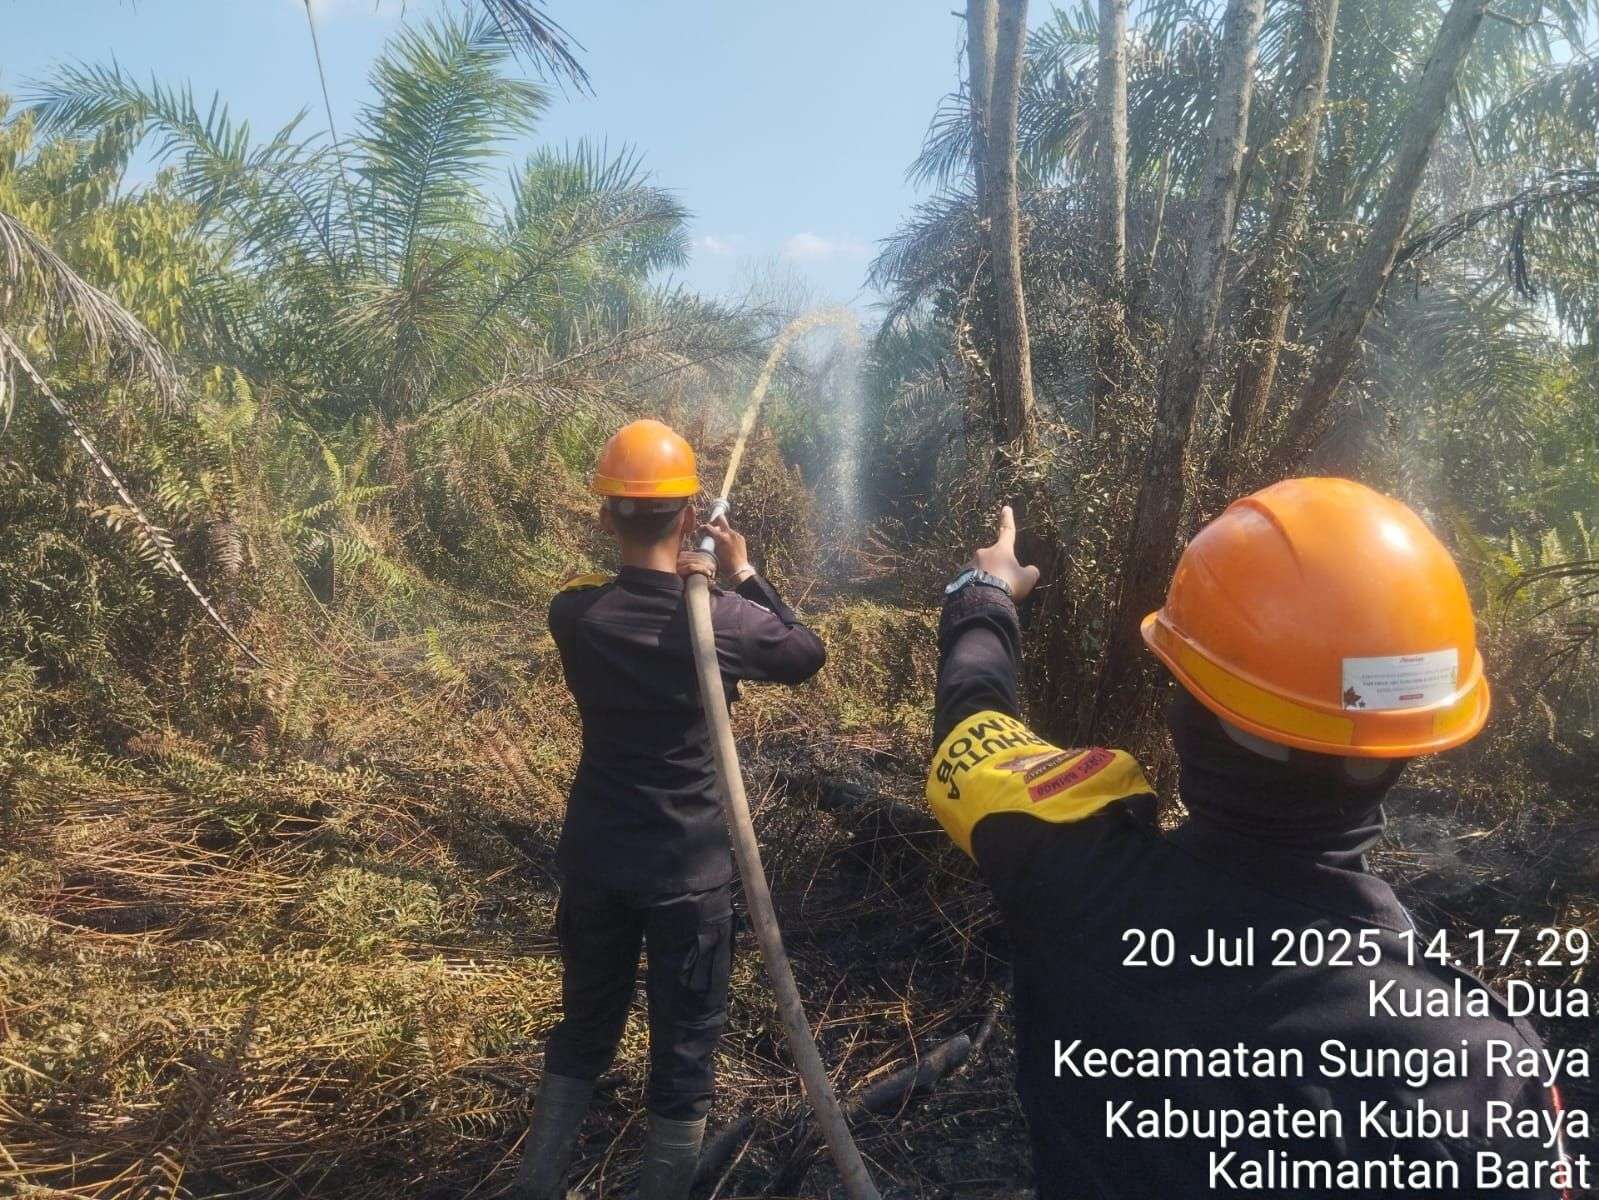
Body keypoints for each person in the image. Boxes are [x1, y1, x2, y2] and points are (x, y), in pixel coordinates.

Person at [928, 481, 1576, 1199]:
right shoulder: (1476, 1074)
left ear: (1189, 720)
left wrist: (984, 589)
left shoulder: (1060, 867)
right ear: (1404, 748)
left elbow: (973, 722)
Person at [514, 419, 826, 1200]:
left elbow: (624, 600)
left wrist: (693, 574)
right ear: (690, 518)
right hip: (688, 873)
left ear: (603, 517)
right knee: (684, 1049)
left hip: (596, 861)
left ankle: (536, 1183)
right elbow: (803, 653)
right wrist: (739, 572)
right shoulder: (720, 619)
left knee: (583, 1028)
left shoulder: (574, 615)